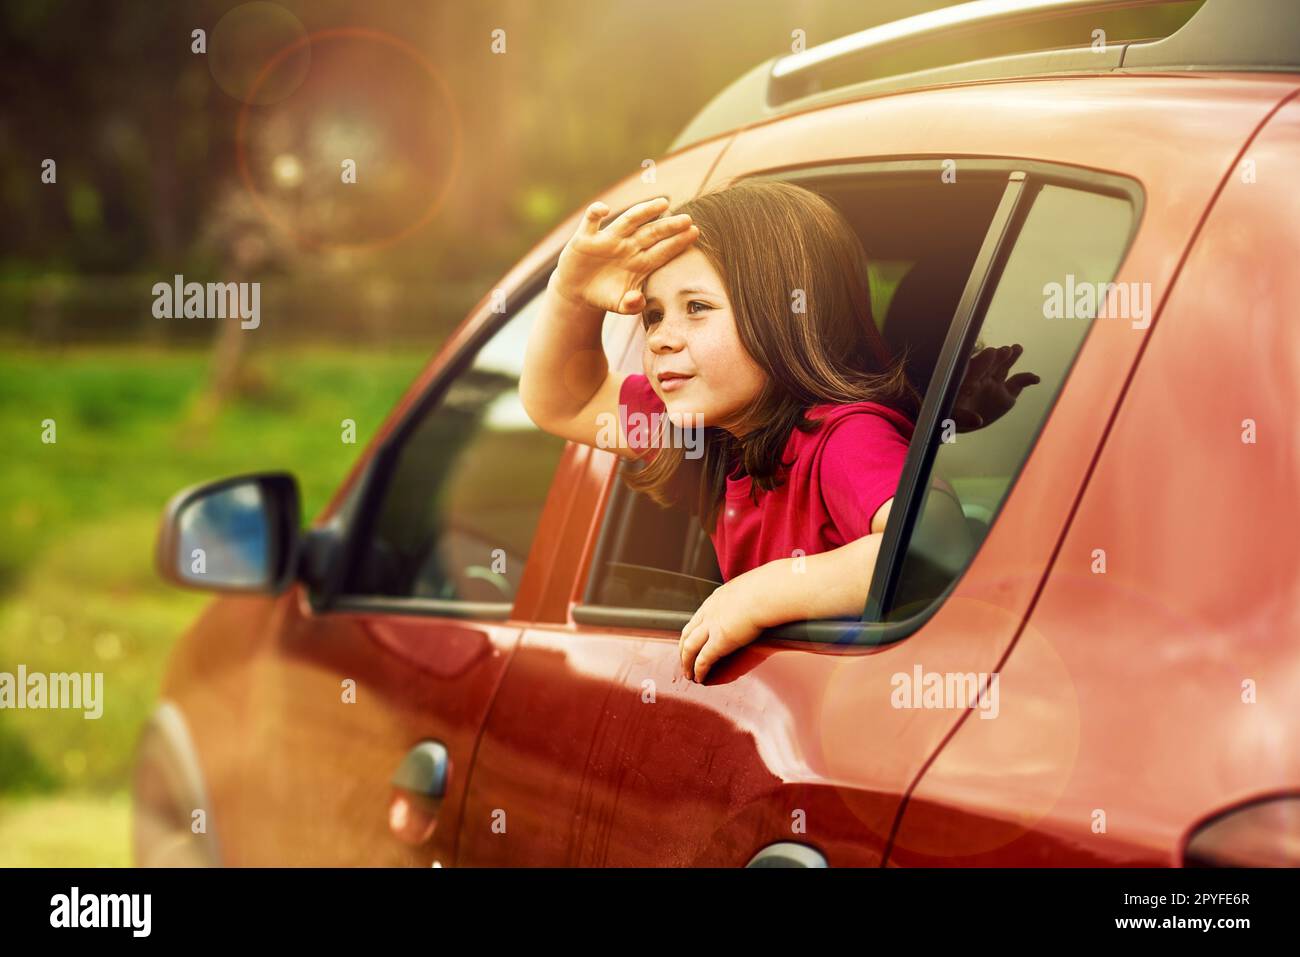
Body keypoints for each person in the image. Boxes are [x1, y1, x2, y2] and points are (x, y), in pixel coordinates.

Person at [519, 181, 1038, 683]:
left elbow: (931, 544)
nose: (659, 340)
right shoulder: (710, 434)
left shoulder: (842, 435)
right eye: (653, 316)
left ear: (787, 315)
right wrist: (570, 293)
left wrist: (759, 594)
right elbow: (568, 401)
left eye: (696, 308)